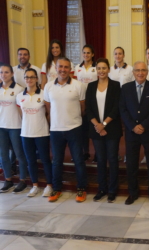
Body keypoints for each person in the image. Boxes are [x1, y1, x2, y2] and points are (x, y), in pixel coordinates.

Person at [44, 57, 87, 203]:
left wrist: (73, 119)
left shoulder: (78, 85)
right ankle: (57, 189)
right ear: (56, 69)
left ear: (70, 69)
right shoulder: (48, 86)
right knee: (57, 161)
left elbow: (83, 107)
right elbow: (48, 108)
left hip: (74, 128)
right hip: (56, 129)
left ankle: (81, 189)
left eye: (66, 67)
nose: (63, 69)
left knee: (79, 160)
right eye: (60, 67)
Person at [120, 61, 149, 205]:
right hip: (132, 133)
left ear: (147, 72)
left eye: (143, 70)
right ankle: (132, 193)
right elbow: (123, 109)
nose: (140, 73)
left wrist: (143, 125)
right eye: (137, 70)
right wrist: (133, 126)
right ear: (133, 72)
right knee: (131, 164)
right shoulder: (125, 88)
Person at [85, 58, 122, 203]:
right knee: (100, 160)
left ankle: (112, 190)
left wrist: (104, 124)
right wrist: (97, 125)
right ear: (96, 70)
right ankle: (102, 189)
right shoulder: (91, 86)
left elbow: (116, 108)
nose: (101, 71)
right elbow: (88, 109)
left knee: (112, 159)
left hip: (111, 128)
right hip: (96, 129)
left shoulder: (115, 85)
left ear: (109, 69)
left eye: (104, 68)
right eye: (99, 68)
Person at [16, 68, 53, 197]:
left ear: (37, 79)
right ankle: (35, 185)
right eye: (27, 77)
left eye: (32, 77)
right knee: (30, 160)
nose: (29, 80)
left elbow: (49, 112)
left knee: (45, 160)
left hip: (41, 132)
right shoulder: (19, 96)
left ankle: (49, 185)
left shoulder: (43, 94)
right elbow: (21, 114)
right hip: (26, 133)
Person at [0, 64, 28, 193]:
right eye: (1, 72)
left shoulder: (19, 89)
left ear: (12, 74)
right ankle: (8, 179)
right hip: (1, 127)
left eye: (6, 72)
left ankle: (22, 180)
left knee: (19, 154)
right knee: (3, 155)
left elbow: (22, 109)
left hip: (15, 126)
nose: (3, 75)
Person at [74, 44, 98, 162]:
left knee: (94, 126)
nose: (86, 55)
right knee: (83, 128)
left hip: (94, 100)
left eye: (88, 53)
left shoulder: (97, 67)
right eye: (84, 52)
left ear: (92, 54)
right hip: (81, 100)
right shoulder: (77, 67)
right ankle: (86, 152)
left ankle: (97, 153)